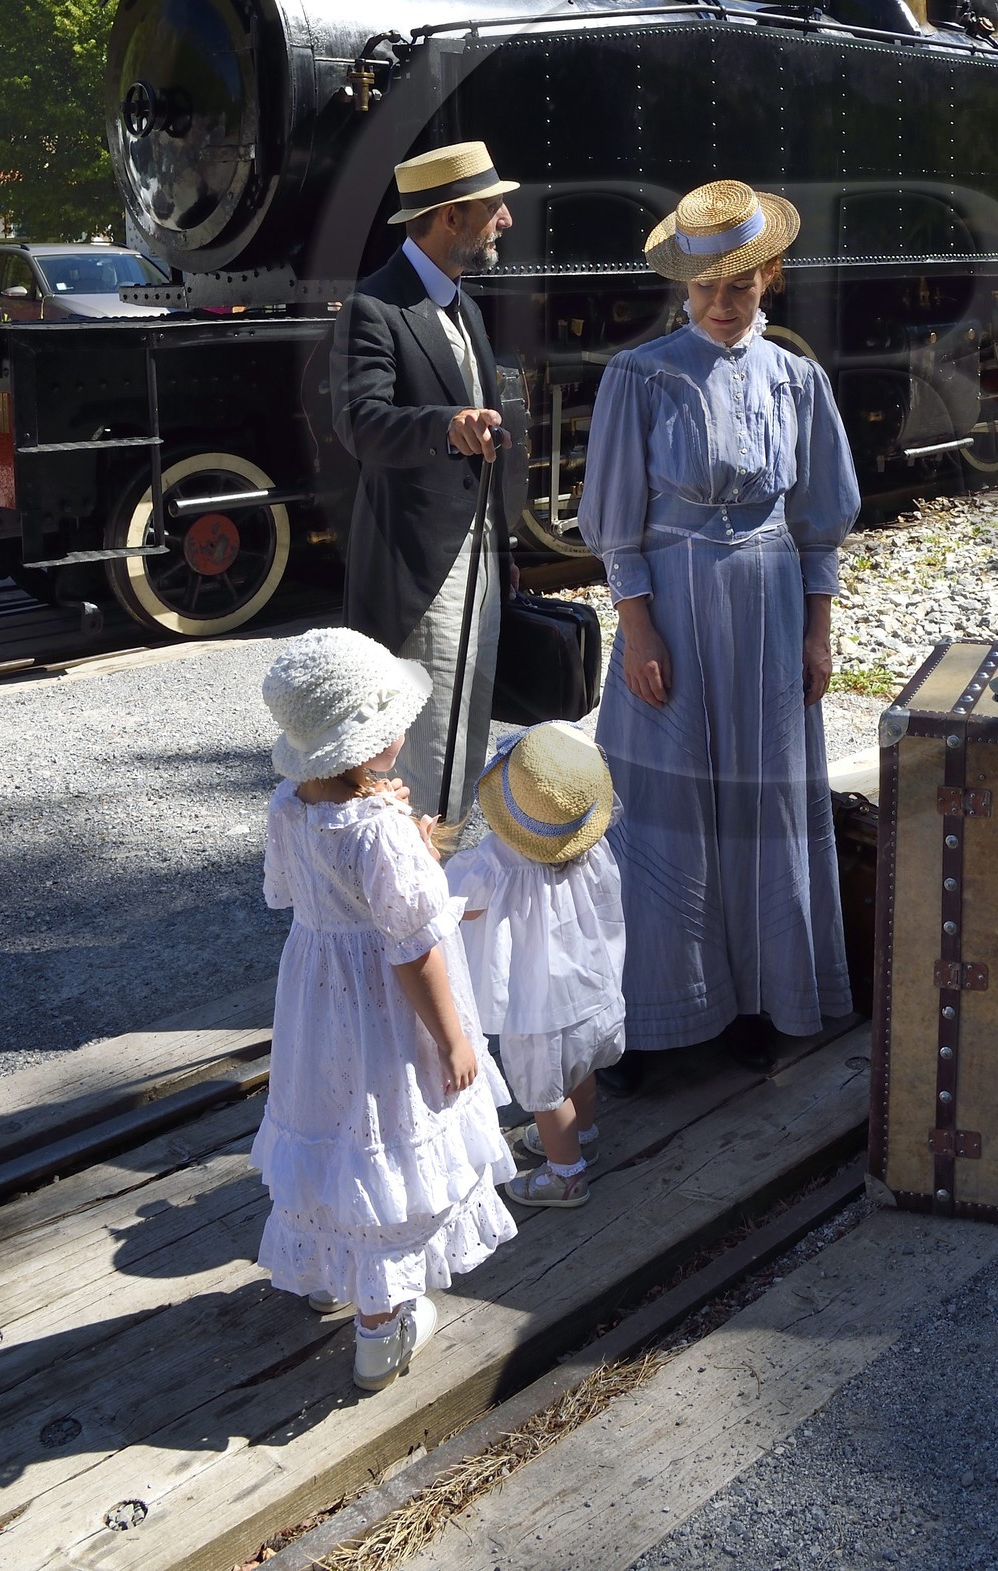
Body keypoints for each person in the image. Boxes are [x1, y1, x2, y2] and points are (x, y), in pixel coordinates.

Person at [578, 178, 861, 1078]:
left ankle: (764, 999)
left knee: (766, 796)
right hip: (674, 606)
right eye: (705, 288)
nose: (723, 303)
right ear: (684, 287)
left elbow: (820, 519)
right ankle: (668, 1022)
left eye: (740, 285)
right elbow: (614, 519)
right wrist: (639, 627)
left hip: (773, 611)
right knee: (665, 804)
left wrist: (818, 631)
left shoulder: (799, 378)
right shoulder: (640, 375)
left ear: (770, 277)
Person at [253, 627, 518, 1392]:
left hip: (319, 1004)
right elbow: (413, 947)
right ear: (363, 742)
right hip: (387, 1014)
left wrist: (405, 835)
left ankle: (328, 1272)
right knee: (387, 1134)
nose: (403, 731)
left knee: (335, 1129)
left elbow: (296, 893)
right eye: (393, 722)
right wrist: (453, 1035)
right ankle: (381, 1329)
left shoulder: (291, 803)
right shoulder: (377, 829)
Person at [331, 140, 520, 820]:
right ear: (449, 217)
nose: (505, 219)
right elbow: (361, 423)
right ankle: (417, 901)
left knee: (469, 728)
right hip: (418, 566)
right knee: (429, 741)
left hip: (478, 559)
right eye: (493, 206)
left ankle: (446, 887)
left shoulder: (462, 305)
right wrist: (446, 423)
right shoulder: (374, 307)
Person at [446, 722, 626, 1211]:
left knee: (547, 1094)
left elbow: (456, 902)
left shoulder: (496, 862)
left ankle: (565, 1176)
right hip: (588, 990)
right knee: (581, 1068)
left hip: (538, 1005)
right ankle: (581, 1133)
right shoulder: (592, 848)